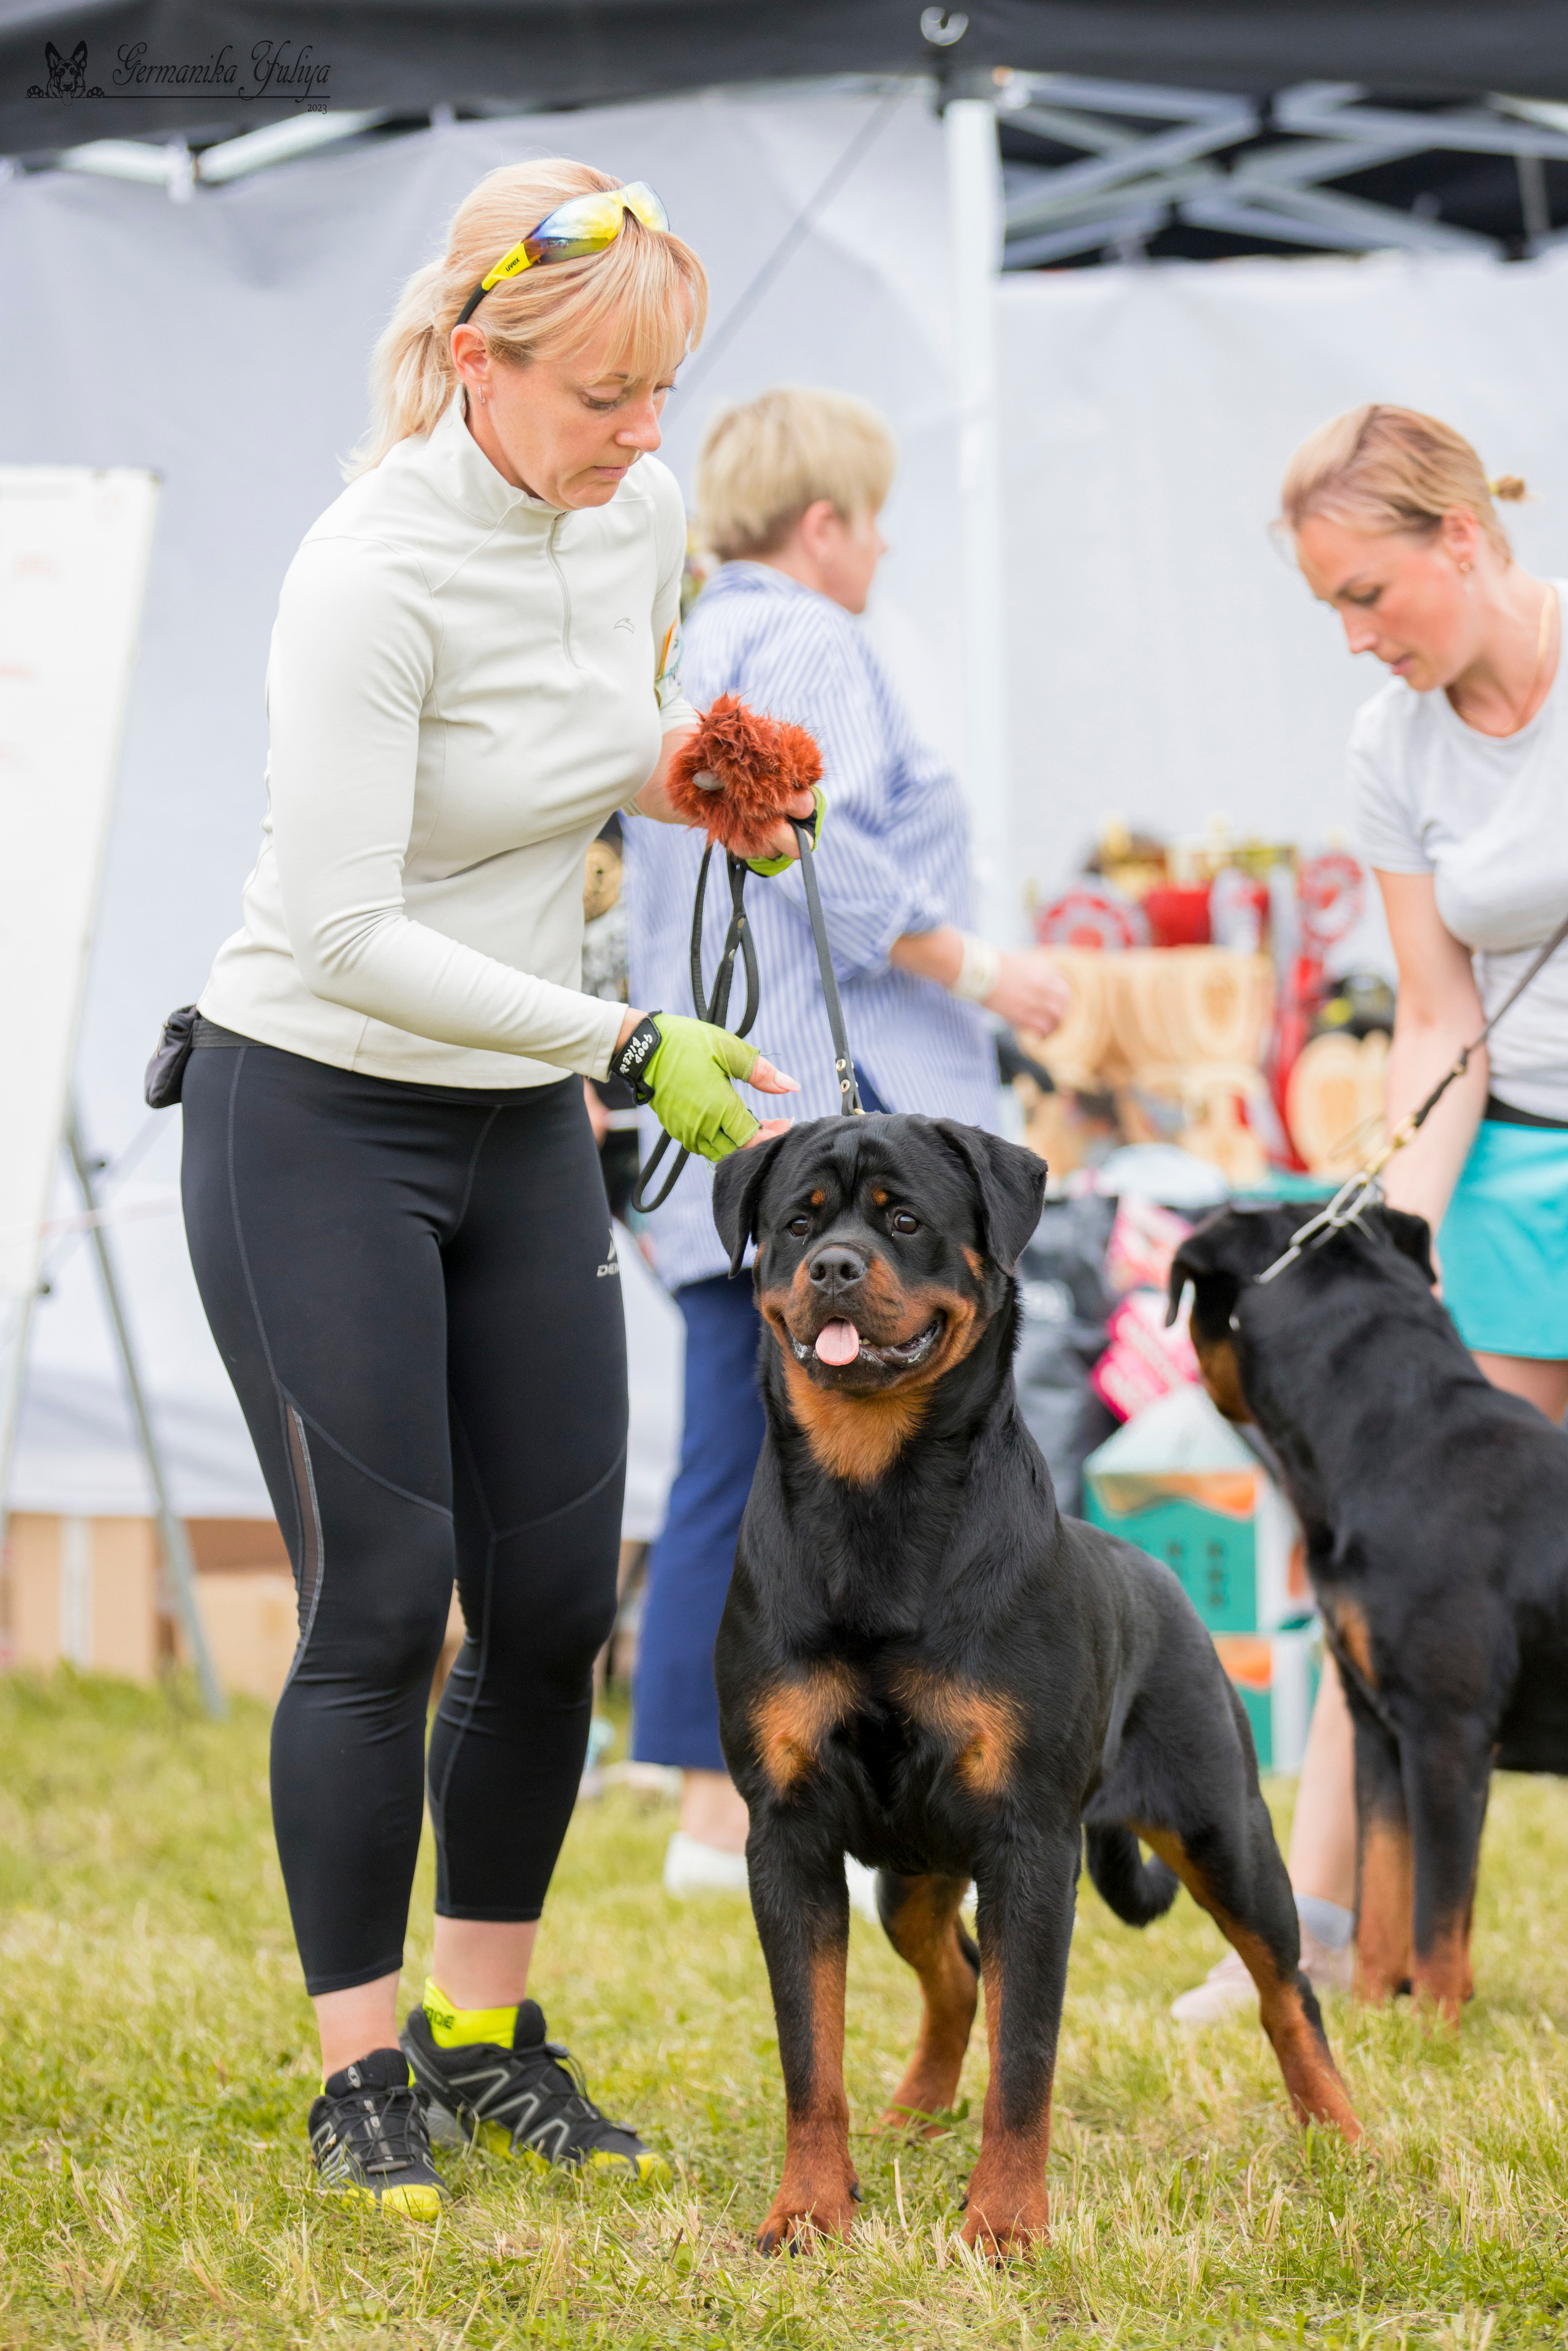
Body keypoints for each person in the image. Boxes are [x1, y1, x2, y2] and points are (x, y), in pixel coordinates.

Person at [179, 162, 814, 2211]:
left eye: (666, 395)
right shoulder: (363, 574)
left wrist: (690, 766)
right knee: (384, 1603)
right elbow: (351, 923)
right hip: (319, 1106)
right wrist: (625, 1041)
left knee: (550, 1611)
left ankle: (487, 2031)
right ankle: (359, 2068)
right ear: (480, 362)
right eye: (611, 395)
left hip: (518, 1115)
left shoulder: (629, 518)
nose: (650, 440)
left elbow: (574, 736)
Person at [621, 386, 1071, 1892]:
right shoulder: (814, 635)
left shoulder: (691, 647)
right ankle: (730, 1801)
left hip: (718, 1127)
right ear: (823, 525)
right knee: (816, 1467)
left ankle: (707, 1782)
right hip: (831, 1096)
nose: (879, 549)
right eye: (871, 519)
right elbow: (840, 856)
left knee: (723, 1457)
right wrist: (984, 969)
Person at [1174, 402, 1568, 2023]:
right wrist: (1390, 1244)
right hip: (1520, 1159)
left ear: (1459, 542)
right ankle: (1317, 1922)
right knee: (1407, 1544)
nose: (1353, 637)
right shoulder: (1393, 745)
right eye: (1328, 605)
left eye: (1366, 594)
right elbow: (1432, 1015)